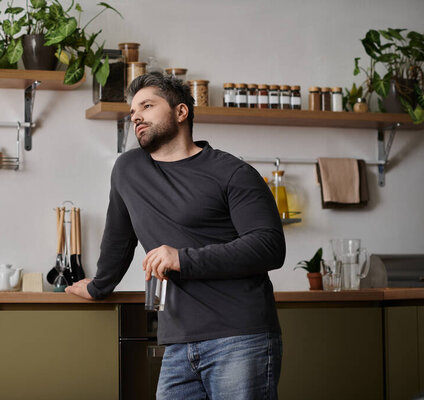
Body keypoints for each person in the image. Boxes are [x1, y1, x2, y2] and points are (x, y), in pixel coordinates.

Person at [66, 72, 285, 400]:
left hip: (240, 336)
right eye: (133, 111)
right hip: (177, 341)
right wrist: (98, 287)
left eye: (147, 105)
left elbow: (269, 247)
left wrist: (182, 258)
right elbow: (119, 238)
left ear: (181, 112)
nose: (136, 115)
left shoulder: (232, 172)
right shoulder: (128, 170)